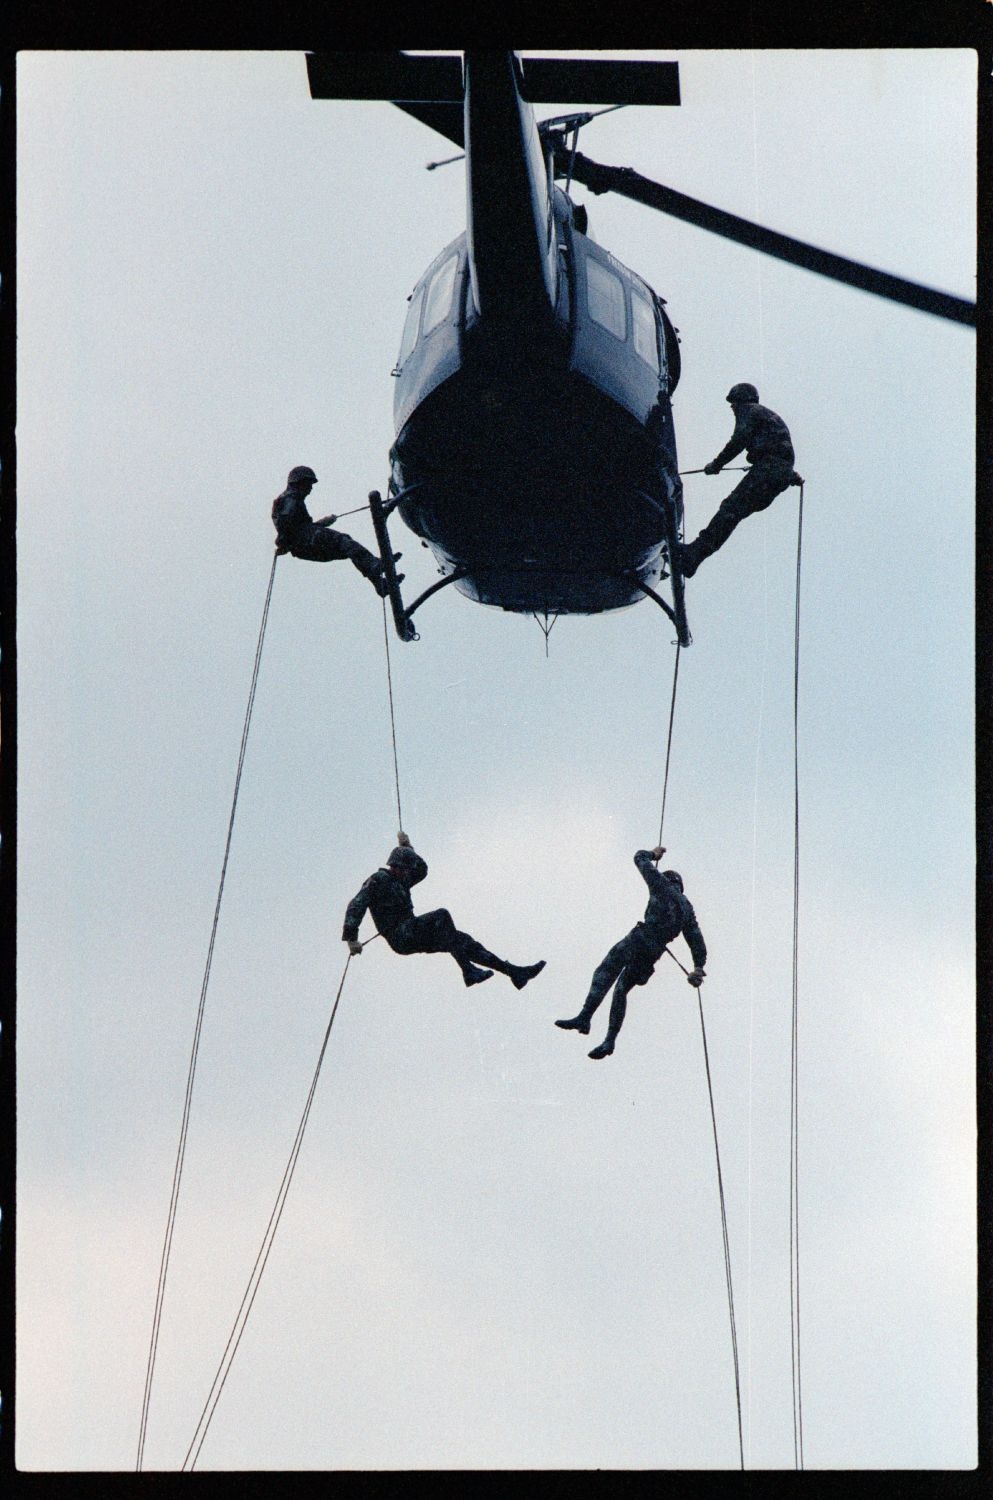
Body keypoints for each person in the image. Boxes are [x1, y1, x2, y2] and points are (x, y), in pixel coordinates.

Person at [342, 832, 546, 990]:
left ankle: (513, 972)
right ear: (396, 866)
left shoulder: (401, 880)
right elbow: (356, 905)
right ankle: (468, 971)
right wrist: (352, 938)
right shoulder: (379, 881)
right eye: (406, 869)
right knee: (442, 916)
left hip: (412, 933)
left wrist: (408, 846)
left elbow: (421, 870)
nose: (408, 874)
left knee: (461, 940)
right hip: (400, 936)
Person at [556, 846, 706, 1060]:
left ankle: (585, 1016)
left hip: (639, 939)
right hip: (654, 951)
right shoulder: (687, 908)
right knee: (621, 989)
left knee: (605, 971)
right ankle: (609, 1040)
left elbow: (639, 858)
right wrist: (698, 968)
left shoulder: (661, 885)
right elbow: (696, 940)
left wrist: (654, 854)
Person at [675, 384, 802, 578]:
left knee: (730, 510)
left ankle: (693, 555)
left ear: (741, 400)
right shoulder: (766, 416)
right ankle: (695, 555)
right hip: (778, 474)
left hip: (768, 470)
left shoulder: (751, 411)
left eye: (733, 403)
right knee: (734, 513)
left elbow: (739, 440)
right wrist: (788, 474)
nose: (732, 408)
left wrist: (716, 464)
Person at [271, 465, 403, 597]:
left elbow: (298, 526)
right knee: (344, 541)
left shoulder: (291, 500)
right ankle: (374, 566)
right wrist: (283, 541)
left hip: (303, 545)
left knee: (348, 547)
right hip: (303, 542)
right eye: (308, 484)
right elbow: (287, 524)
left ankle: (379, 583)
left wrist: (323, 523)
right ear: (298, 482)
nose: (310, 489)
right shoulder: (289, 498)